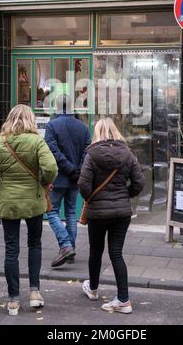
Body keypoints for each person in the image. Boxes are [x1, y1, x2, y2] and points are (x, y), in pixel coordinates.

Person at [0, 104, 58, 315]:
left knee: (11, 249)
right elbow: (51, 168)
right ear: (30, 120)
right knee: (35, 244)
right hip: (33, 201)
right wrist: (43, 182)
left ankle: (13, 300)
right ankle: (34, 293)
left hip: (8, 202)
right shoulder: (37, 141)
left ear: (9, 119)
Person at [78, 117, 145, 314]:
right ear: (116, 131)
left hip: (97, 213)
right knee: (116, 253)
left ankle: (93, 289)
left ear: (97, 132)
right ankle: (123, 299)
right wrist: (125, 195)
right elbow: (139, 183)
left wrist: (90, 197)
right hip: (122, 212)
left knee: (95, 251)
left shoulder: (91, 155)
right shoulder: (128, 155)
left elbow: (83, 184)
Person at [45, 94, 91, 267]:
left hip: (58, 177)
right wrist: (77, 170)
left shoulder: (52, 126)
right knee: (71, 213)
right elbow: (88, 151)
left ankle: (65, 245)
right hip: (75, 178)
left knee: (51, 212)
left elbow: (52, 152)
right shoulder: (83, 127)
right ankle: (70, 249)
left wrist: (70, 169)